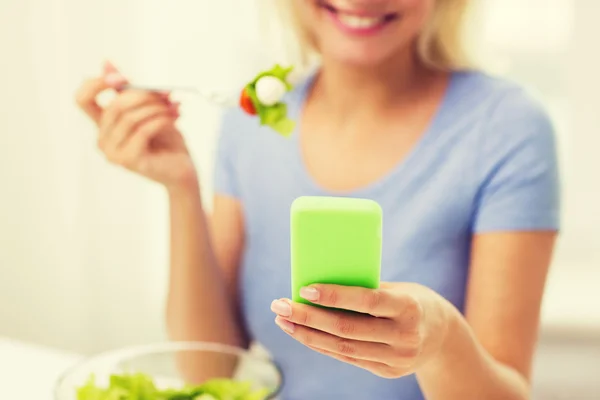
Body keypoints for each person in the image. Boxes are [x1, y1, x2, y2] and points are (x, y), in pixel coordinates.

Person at [75, 0, 560, 399]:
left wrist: (440, 339)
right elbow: (210, 373)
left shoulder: (508, 128)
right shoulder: (255, 118)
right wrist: (181, 189)